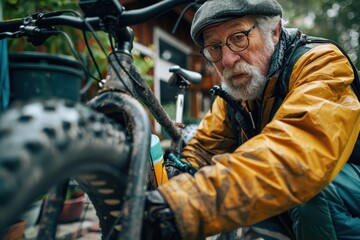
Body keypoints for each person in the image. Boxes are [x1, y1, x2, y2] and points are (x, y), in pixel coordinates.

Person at [142, 0, 360, 239]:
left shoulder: (321, 64)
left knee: (311, 192)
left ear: (274, 32)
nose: (227, 60)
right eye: (214, 48)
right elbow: (203, 149)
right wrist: (174, 178)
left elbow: (296, 157)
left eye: (238, 38)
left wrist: (181, 207)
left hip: (343, 185)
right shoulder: (239, 92)